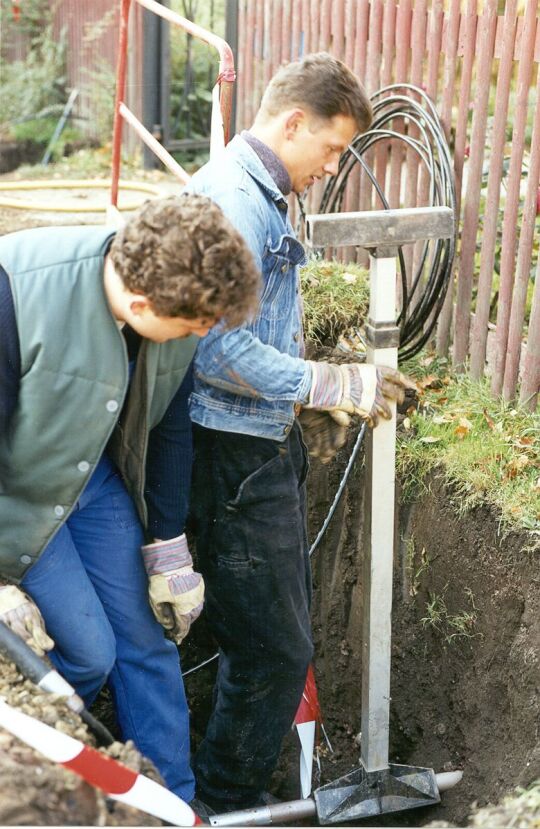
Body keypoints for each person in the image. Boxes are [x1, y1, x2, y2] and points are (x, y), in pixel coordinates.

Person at [184, 52, 415, 811]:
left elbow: (255, 328)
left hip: (257, 440)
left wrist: (307, 383)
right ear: (291, 123)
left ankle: (229, 791)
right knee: (276, 652)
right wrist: (328, 382)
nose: (333, 165)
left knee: (267, 640)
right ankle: (227, 803)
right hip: (235, 452)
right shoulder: (234, 203)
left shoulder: (260, 193)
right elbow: (214, 347)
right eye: (331, 147)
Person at [0, 194, 259, 806]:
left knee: (149, 637)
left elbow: (169, 426)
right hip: (19, 498)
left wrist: (166, 547)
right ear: (141, 304)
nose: (201, 335)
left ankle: (170, 801)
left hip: (88, 483)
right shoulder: (17, 291)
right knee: (88, 654)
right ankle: (53, 791)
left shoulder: (175, 301)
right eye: (195, 327)